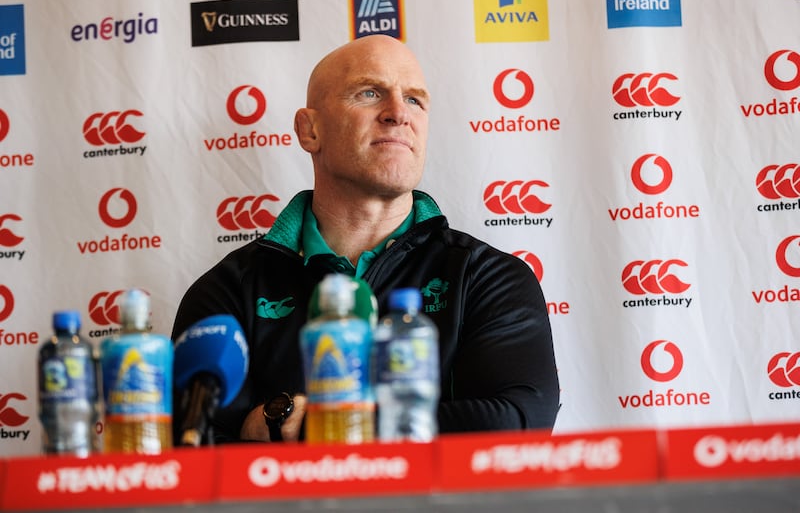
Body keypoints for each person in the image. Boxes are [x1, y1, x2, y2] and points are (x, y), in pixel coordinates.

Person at [171, 34, 560, 444]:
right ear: (309, 130)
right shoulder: (228, 290)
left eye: (414, 100)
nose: (397, 113)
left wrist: (295, 423)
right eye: (370, 93)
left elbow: (515, 423)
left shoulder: (487, 276)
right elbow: (194, 448)